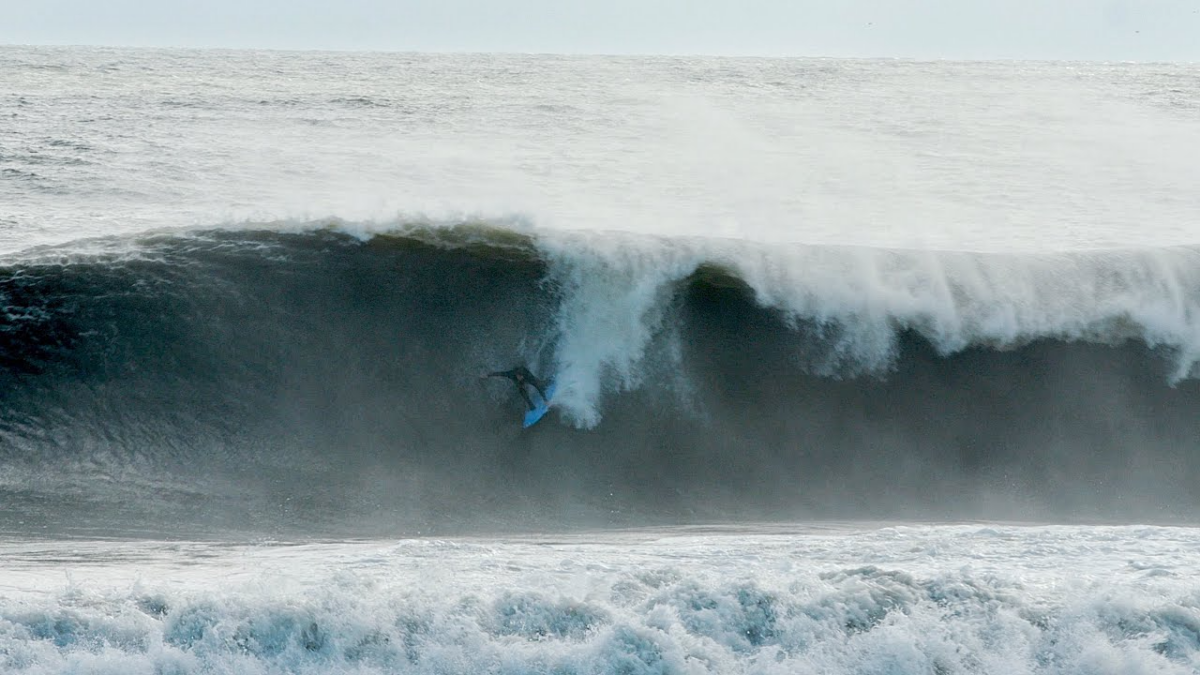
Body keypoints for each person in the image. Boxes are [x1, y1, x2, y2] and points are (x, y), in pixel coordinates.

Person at [481, 366, 549, 411]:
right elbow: (500, 373)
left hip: (527, 376)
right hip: (518, 380)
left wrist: (545, 400)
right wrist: (488, 375)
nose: (521, 377)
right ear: (517, 375)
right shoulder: (511, 374)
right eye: (519, 376)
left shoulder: (528, 375)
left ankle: (547, 383)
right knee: (522, 391)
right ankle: (532, 407)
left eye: (521, 376)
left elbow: (537, 386)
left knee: (538, 384)